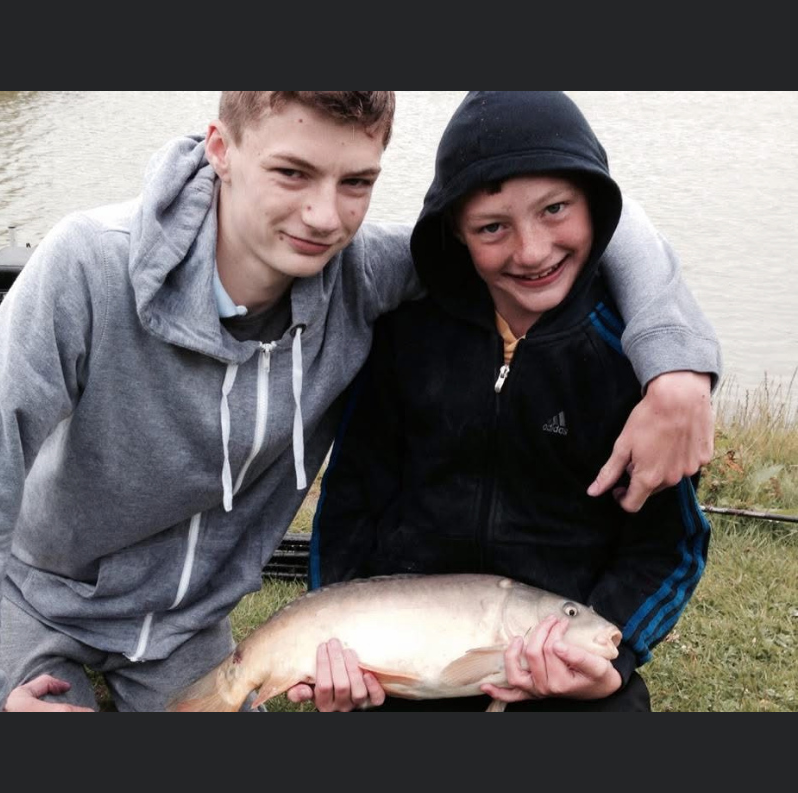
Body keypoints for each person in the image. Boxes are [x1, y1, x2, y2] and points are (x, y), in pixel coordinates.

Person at [0, 90, 719, 715]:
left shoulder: (363, 279)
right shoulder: (87, 264)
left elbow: (585, 211)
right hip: (38, 599)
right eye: (291, 172)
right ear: (220, 148)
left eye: (356, 182)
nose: (324, 217)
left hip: (189, 629)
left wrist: (677, 366)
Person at [297, 91, 714, 712]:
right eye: (492, 227)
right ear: (455, 231)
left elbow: (667, 546)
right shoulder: (404, 333)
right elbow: (352, 498)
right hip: (401, 664)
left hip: (567, 661)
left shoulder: (635, 364)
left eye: (555, 209)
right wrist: (338, 629)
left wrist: (616, 656)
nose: (532, 251)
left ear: (596, 205)